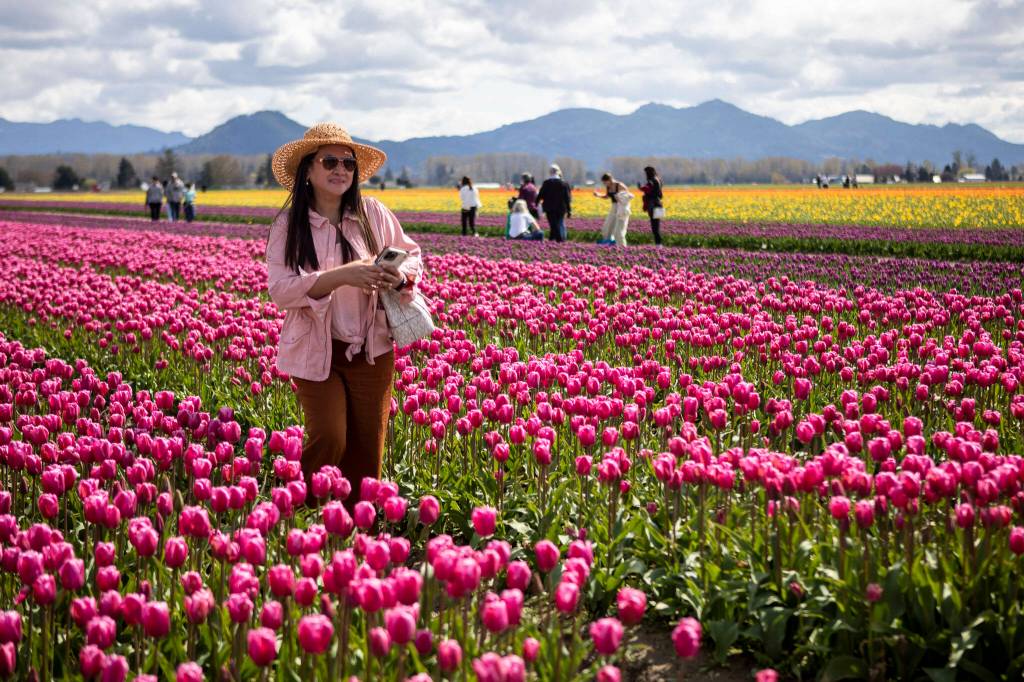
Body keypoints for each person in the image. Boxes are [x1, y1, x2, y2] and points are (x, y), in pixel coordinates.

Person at [266, 122, 423, 509]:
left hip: (373, 347)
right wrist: (340, 277)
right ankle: (299, 511)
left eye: (348, 164)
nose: (341, 170)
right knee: (330, 437)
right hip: (316, 350)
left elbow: (413, 254)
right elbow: (281, 290)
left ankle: (354, 529)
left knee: (367, 449)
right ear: (308, 170)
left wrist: (398, 273)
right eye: (330, 162)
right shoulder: (289, 225)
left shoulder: (373, 213)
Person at [594, 173, 633, 246]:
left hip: (621, 207)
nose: (605, 184)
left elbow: (628, 197)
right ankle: (608, 242)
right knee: (607, 226)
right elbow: (607, 196)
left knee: (618, 231)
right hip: (614, 207)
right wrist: (598, 195)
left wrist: (619, 198)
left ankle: (621, 246)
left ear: (609, 180)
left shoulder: (619, 185)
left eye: (605, 182)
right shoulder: (608, 187)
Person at [536, 164, 572, 242]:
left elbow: (541, 195)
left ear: (550, 172)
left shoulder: (547, 183)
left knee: (553, 225)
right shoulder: (564, 183)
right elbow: (567, 198)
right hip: (561, 208)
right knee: (556, 224)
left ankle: (559, 241)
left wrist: (536, 203)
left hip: (549, 208)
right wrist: (569, 210)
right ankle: (551, 240)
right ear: (558, 172)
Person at [638, 166, 664, 245]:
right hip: (659, 204)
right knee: (657, 226)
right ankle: (659, 244)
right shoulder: (659, 180)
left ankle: (658, 245)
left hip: (653, 205)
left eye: (646, 173)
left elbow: (648, 189)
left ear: (648, 173)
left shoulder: (652, 180)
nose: (645, 175)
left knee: (654, 228)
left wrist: (640, 188)